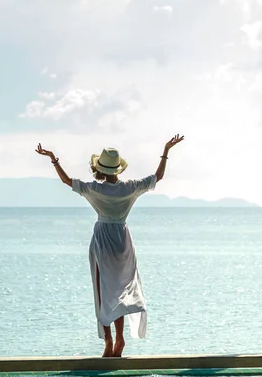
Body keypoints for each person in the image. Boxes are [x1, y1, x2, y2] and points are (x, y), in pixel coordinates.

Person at [35, 135, 184, 357]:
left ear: (100, 169)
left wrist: (53, 159)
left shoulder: (95, 189)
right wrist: (166, 150)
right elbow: (158, 177)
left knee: (103, 291)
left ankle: (108, 341)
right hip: (122, 239)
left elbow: (67, 181)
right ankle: (120, 340)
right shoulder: (131, 188)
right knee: (118, 291)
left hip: (103, 239)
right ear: (117, 169)